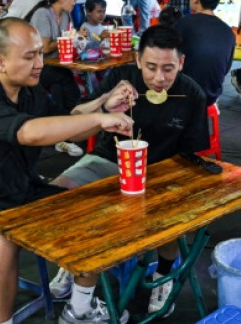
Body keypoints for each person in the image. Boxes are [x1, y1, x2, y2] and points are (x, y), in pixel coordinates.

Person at [0, 18, 134, 324]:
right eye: (29, 56)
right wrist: (99, 120)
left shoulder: (29, 91)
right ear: (0, 62)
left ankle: (79, 308)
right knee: (0, 240)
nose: (39, 63)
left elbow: (65, 125)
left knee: (97, 213)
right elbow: (30, 133)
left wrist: (104, 105)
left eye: (39, 53)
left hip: (24, 188)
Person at [50, 25, 209, 319]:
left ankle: (163, 275)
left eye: (168, 69)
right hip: (107, 160)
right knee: (56, 196)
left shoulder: (192, 95)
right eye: (150, 67)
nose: (159, 78)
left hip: (160, 173)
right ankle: (70, 265)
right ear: (137, 60)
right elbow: (73, 120)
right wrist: (104, 103)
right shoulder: (118, 80)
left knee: (174, 212)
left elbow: (191, 156)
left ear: (181, 64)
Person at [175, 0, 235, 106]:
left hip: (184, 93)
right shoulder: (228, 31)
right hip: (212, 95)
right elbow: (226, 69)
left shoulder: (184, 23)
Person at [25, 0, 82, 112]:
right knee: (65, 76)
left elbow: (64, 43)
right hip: (35, 67)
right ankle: (78, 110)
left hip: (53, 66)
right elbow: (44, 48)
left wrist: (76, 38)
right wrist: (68, 38)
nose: (75, 0)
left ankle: (64, 118)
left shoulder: (65, 16)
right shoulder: (42, 14)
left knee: (58, 87)